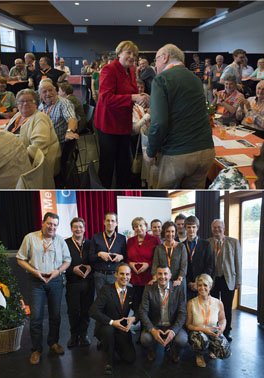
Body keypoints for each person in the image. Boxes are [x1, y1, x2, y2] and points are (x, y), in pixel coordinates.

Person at [147, 44, 215, 189]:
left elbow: (158, 123)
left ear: (165, 57)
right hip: (205, 152)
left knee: (164, 198)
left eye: (156, 59)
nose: (156, 65)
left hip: (177, 154)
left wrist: (150, 152)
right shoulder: (196, 79)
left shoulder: (161, 79)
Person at [15, 212, 71, 364]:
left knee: (55, 315)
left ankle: (53, 342)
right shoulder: (30, 238)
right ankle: (36, 349)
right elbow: (20, 258)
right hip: (36, 281)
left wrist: (58, 271)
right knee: (36, 317)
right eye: (49, 223)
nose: (52, 227)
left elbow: (67, 260)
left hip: (55, 280)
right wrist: (34, 271)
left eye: (55, 224)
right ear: (43, 223)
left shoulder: (60, 240)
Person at [95, 40, 146, 189]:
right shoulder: (109, 70)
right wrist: (133, 97)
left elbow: (131, 92)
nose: (131, 56)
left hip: (123, 122)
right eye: (128, 52)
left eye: (134, 54)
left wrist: (141, 95)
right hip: (108, 124)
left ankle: (123, 191)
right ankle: (103, 191)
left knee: (124, 163)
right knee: (108, 165)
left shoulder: (131, 70)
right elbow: (105, 98)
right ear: (119, 53)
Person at [90, 263, 137, 376]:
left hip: (121, 328)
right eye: (121, 274)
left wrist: (134, 318)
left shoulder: (131, 291)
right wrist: (112, 322)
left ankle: (112, 344)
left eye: (127, 274)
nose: (124, 277)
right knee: (109, 331)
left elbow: (139, 310)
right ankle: (108, 361)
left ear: (130, 276)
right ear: (115, 274)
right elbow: (93, 311)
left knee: (130, 358)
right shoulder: (106, 290)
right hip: (106, 326)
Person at [6, 89, 61, 184]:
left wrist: (14, 160)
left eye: (29, 101)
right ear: (17, 104)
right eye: (21, 101)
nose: (25, 104)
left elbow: (38, 146)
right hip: (14, 156)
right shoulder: (18, 115)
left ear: (36, 103)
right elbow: (6, 133)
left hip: (34, 165)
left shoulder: (40, 118)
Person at [138, 266, 188, 363]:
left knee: (182, 340)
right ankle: (152, 349)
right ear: (156, 276)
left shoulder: (178, 289)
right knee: (145, 339)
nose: (162, 276)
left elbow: (182, 313)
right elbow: (143, 311)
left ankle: (174, 349)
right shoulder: (148, 288)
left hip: (172, 324)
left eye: (165, 274)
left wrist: (173, 331)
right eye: (159, 274)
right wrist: (152, 330)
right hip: (155, 324)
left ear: (170, 276)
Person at [186, 274, 231, 368]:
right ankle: (199, 355)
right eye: (199, 285)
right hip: (197, 333)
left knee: (225, 352)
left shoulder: (218, 303)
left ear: (210, 287)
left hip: (213, 332)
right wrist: (204, 329)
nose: (202, 288)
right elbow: (188, 325)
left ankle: (211, 349)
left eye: (205, 285)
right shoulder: (191, 303)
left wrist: (221, 329)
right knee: (202, 339)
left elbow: (223, 319)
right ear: (197, 287)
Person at [208, 219, 241, 341]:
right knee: (214, 307)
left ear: (224, 228)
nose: (217, 229)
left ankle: (227, 331)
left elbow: (238, 263)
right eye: (214, 227)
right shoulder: (208, 243)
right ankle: (215, 330)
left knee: (227, 307)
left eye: (219, 227)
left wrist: (239, 280)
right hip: (213, 280)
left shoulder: (233, 242)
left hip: (228, 280)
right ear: (211, 229)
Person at [65, 217, 92, 348]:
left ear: (84, 229)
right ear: (71, 229)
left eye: (80, 227)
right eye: (75, 227)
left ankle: (84, 334)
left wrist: (90, 267)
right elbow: (61, 263)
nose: (78, 229)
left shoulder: (90, 243)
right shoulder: (65, 243)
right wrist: (72, 269)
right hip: (72, 282)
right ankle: (74, 335)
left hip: (88, 282)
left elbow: (94, 261)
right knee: (73, 310)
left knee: (86, 310)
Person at [87, 212, 127, 295]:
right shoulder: (95, 237)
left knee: (115, 301)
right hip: (100, 276)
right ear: (104, 222)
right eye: (108, 220)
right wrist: (99, 254)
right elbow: (90, 257)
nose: (110, 223)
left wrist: (121, 257)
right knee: (101, 302)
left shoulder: (122, 238)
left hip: (115, 275)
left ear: (116, 223)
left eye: (113, 221)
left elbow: (127, 256)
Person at [126, 217, 159, 313]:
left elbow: (159, 258)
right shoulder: (130, 241)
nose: (139, 228)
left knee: (148, 304)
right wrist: (130, 263)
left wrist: (148, 264)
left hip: (149, 277)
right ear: (133, 228)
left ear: (146, 226)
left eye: (141, 225)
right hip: (134, 278)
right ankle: (139, 325)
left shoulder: (154, 240)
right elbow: (126, 257)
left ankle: (146, 327)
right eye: (136, 226)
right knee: (135, 303)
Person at [182, 216, 215, 300]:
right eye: (188, 227)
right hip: (186, 285)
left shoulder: (206, 245)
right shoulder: (181, 245)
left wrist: (198, 282)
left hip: (202, 285)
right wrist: (189, 282)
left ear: (197, 228)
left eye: (194, 227)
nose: (191, 230)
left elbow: (210, 266)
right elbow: (180, 266)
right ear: (185, 228)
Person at [151, 221, 187, 287]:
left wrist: (179, 279)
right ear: (164, 232)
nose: (170, 234)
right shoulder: (158, 248)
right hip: (163, 282)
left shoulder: (181, 246)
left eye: (172, 231)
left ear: (175, 232)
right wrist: (154, 278)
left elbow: (184, 265)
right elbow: (155, 265)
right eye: (167, 231)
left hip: (178, 282)